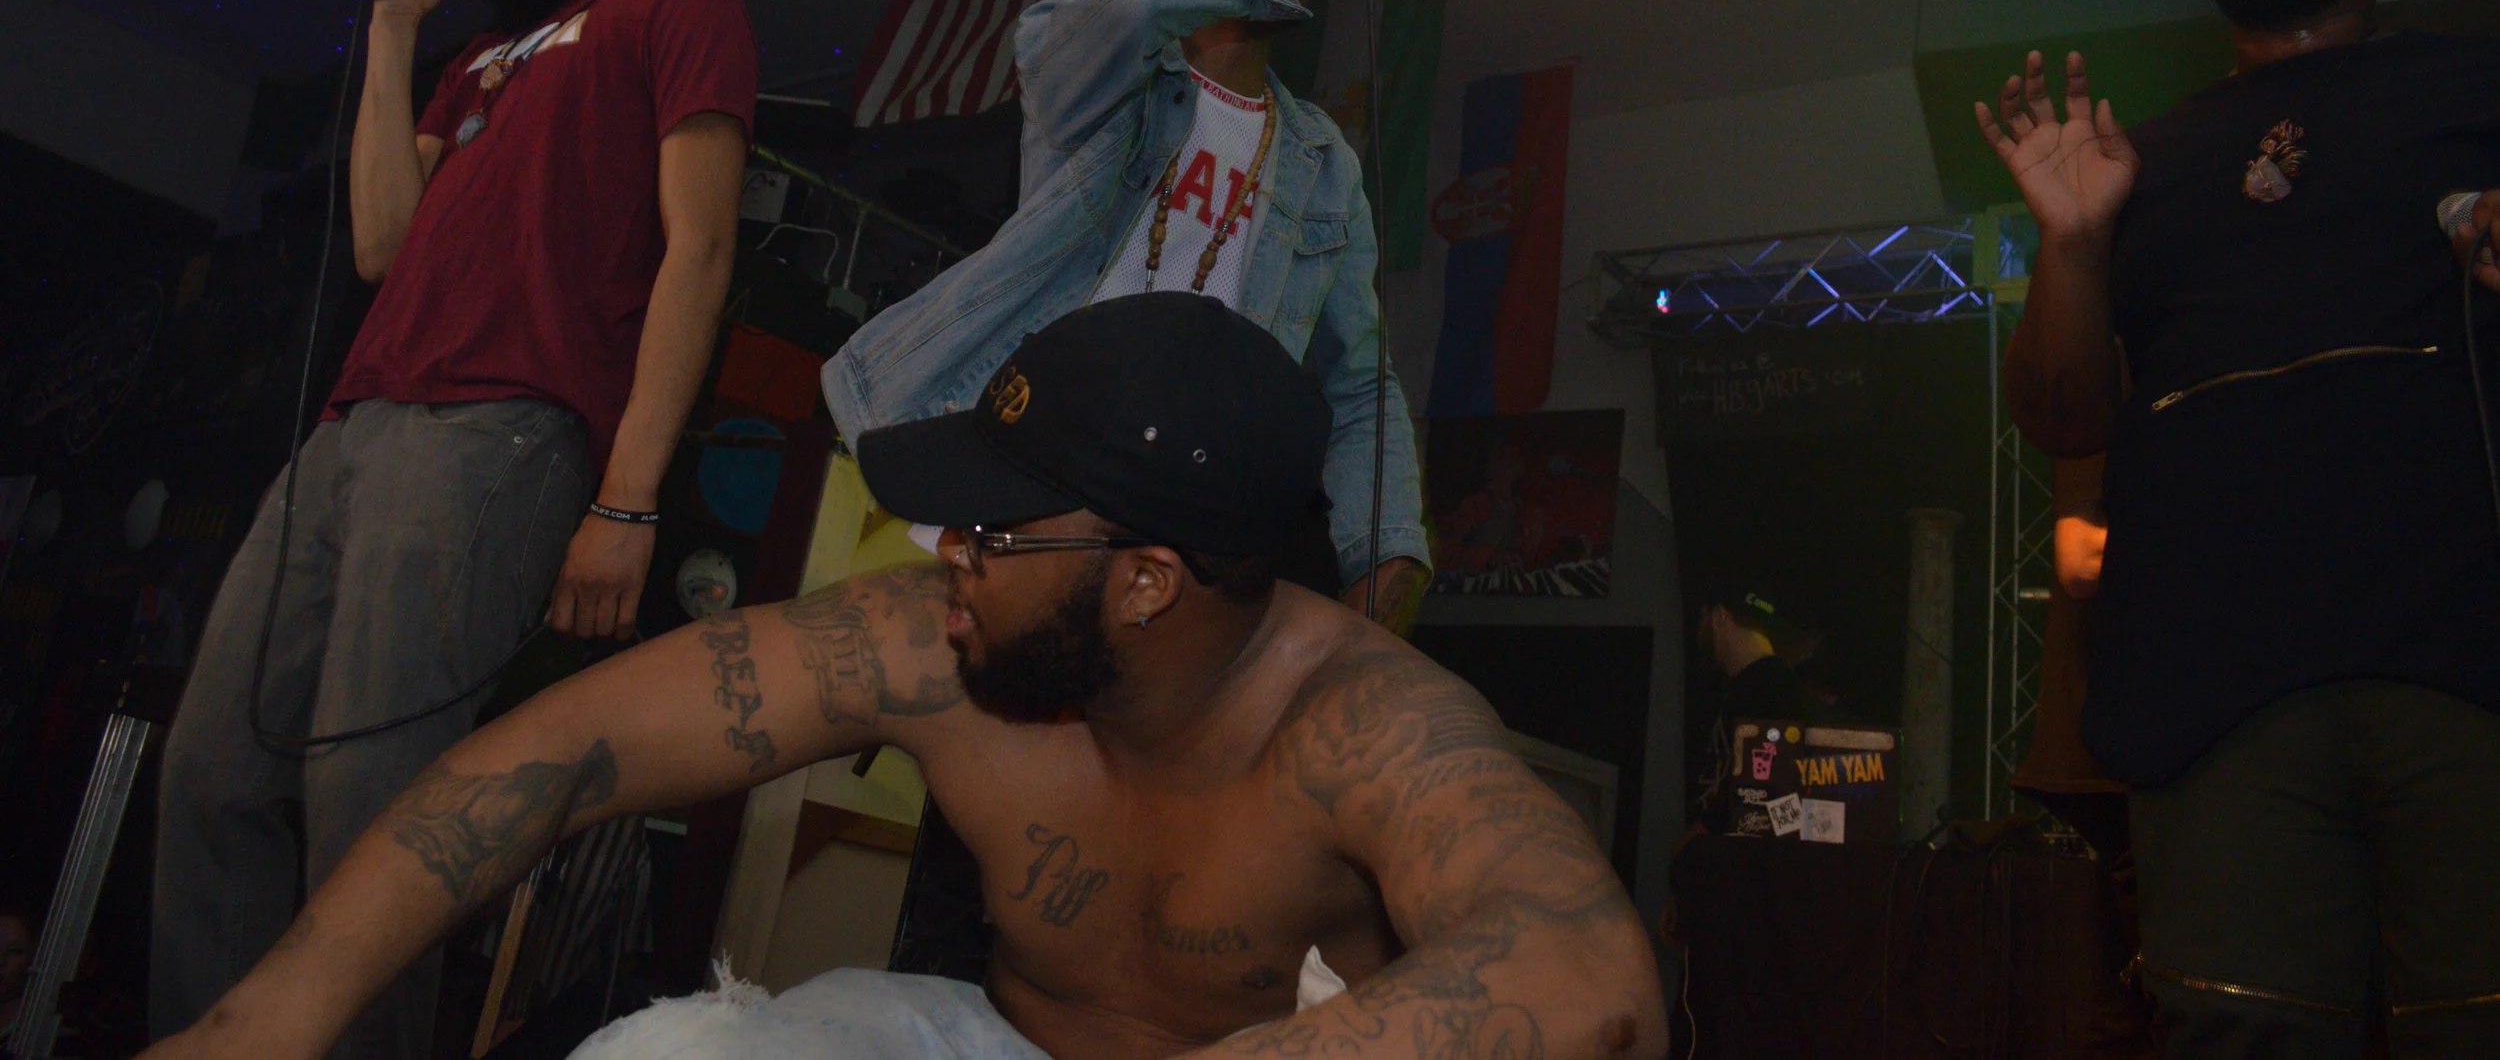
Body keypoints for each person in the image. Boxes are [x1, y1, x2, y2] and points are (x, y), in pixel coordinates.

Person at [140, 295, 1666, 1060]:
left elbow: (1593, 979)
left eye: (995, 527)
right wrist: (264, 1019)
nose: (947, 551)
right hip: (989, 1042)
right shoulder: (936, 640)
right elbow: (571, 745)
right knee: (665, 1054)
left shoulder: (1365, 723)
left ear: (1144, 578)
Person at [152, 0, 758, 1060]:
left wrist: (628, 497)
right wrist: (391, 35)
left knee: (369, 801)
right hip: (353, 427)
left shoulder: (683, 5)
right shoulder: (479, 57)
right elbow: (381, 239)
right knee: (212, 769)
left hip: (497, 432)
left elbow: (700, 251)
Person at [1975, 0, 2500, 1056]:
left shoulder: (2470, 88)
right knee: (2233, 1032)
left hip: (2461, 649)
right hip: (2211, 680)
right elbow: (2060, 418)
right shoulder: (2139, 160)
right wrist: (2071, 244)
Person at [825, 0, 1428, 617]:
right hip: (992, 484)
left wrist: (1388, 557)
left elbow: (1359, 385)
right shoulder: (1106, 74)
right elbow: (1131, 9)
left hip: (1156, 529)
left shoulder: (1323, 164)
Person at [1688, 587, 1812, 831]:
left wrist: (1698, 836)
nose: (1699, 630)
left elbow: (1771, 801)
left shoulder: (1769, 692)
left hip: (1738, 849)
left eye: (1702, 618)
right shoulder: (1768, 686)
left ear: (1720, 615)